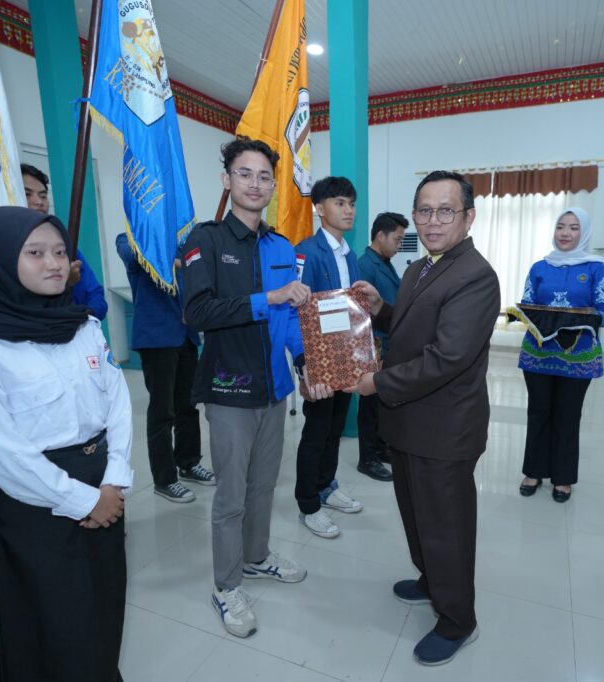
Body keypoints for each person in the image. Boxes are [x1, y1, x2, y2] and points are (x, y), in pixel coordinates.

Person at [0, 206, 133, 681]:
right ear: (0, 260)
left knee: (104, 610)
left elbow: (118, 402)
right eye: (36, 253)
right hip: (37, 503)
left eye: (60, 252)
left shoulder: (82, 324)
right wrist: (86, 500)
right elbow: (4, 454)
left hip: (104, 485)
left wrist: (114, 480)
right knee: (52, 628)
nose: (54, 264)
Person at [349, 170, 500, 666]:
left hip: (444, 429)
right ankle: (431, 580)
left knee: (445, 527)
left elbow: (447, 357)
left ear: (468, 217)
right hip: (410, 422)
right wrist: (381, 310)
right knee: (416, 514)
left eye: (445, 211)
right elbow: (414, 326)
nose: (433, 221)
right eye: (424, 211)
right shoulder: (420, 267)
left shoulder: (475, 275)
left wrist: (377, 383)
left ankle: (457, 619)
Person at [181, 137, 324, 638]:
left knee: (264, 485)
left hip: (275, 389)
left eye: (265, 176)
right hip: (229, 389)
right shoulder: (205, 241)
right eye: (245, 174)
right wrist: (269, 297)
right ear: (227, 180)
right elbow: (197, 312)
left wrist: (304, 363)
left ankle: (257, 556)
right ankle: (226, 586)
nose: (255, 184)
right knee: (232, 494)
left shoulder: (282, 246)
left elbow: (290, 318)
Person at [517, 207, 604, 503]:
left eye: (573, 227)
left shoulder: (598, 268)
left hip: (578, 357)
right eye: (560, 226)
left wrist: (573, 318)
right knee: (538, 412)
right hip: (538, 354)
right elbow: (528, 303)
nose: (565, 233)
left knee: (568, 416)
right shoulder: (539, 267)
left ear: (584, 232)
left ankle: (563, 477)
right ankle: (533, 471)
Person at [116, 233, 214, 503]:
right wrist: (171, 256)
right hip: (157, 338)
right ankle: (165, 479)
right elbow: (132, 256)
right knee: (162, 411)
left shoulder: (183, 242)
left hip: (186, 335)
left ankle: (188, 462)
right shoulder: (131, 239)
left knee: (188, 406)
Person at [293, 176, 365, 538]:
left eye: (351, 203)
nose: (348, 210)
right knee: (317, 430)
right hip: (319, 357)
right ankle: (308, 504)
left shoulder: (349, 254)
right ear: (320, 209)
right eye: (340, 203)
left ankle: (326, 486)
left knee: (336, 426)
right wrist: (304, 363)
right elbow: (296, 311)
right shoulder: (306, 252)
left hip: (345, 356)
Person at [355, 211, 407, 482]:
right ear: (380, 236)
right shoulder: (366, 265)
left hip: (389, 341)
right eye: (397, 239)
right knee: (369, 405)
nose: (400, 245)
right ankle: (367, 458)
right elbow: (361, 312)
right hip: (374, 344)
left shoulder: (385, 263)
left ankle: (380, 447)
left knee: (381, 402)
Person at [22, 163, 108, 320]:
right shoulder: (4, 252)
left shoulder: (66, 245)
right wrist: (64, 283)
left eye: (43, 196)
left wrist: (84, 317)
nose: (39, 202)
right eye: (27, 194)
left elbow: (96, 295)